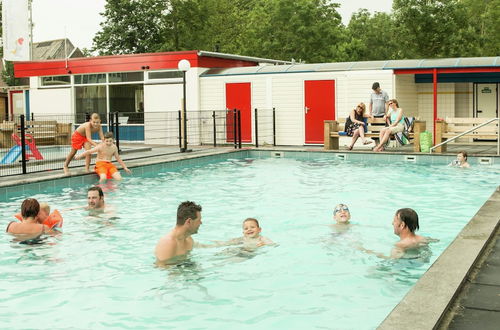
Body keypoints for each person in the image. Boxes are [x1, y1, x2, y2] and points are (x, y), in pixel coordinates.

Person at [360, 208, 430, 259]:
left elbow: (392, 261)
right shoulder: (423, 239)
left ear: (402, 225)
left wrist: (367, 251)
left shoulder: (400, 245)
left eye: (394, 221)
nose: (392, 223)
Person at [155, 201, 203, 265]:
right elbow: (161, 268)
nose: (201, 223)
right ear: (189, 221)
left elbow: (197, 246)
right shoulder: (168, 243)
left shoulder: (188, 239)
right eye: (198, 220)